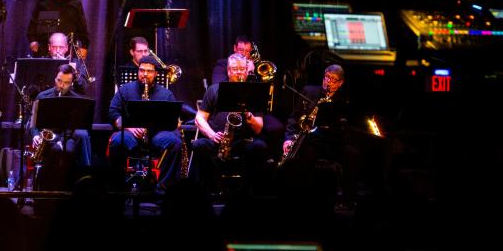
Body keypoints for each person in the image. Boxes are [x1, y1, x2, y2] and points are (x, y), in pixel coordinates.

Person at [191, 54, 273, 192]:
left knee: (260, 147)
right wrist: (212, 135)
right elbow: (199, 119)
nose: (239, 72)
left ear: (247, 71)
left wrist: (249, 116)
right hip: (218, 139)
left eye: (242, 69)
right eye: (235, 69)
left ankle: (246, 190)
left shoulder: (255, 92)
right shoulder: (214, 90)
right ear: (228, 71)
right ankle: (214, 186)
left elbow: (258, 128)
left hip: (242, 141)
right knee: (199, 145)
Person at [281, 64, 359, 205]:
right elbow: (294, 118)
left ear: (340, 83)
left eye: (333, 79)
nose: (328, 81)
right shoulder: (309, 91)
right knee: (307, 154)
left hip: (333, 142)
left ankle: (349, 199)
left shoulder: (343, 101)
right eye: (326, 77)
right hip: (311, 141)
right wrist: (288, 140)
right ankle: (308, 198)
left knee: (352, 154)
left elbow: (345, 129)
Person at [107, 55, 183, 194]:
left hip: (156, 134)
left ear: (156, 73)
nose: (145, 74)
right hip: (131, 134)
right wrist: (129, 127)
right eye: (142, 70)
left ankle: (163, 188)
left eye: (149, 71)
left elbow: (174, 121)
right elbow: (113, 112)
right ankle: (118, 186)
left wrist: (157, 126)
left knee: (175, 143)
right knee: (117, 141)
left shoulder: (166, 94)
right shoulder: (125, 90)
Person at [29, 63, 93, 189]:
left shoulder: (76, 100)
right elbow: (33, 121)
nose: (61, 85)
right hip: (47, 137)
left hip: (66, 136)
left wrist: (60, 140)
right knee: (57, 150)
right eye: (59, 81)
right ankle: (46, 187)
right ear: (55, 79)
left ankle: (78, 184)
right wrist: (35, 135)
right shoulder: (43, 97)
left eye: (66, 83)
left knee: (69, 150)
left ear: (72, 83)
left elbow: (74, 126)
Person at [27, 0, 91, 55]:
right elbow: (33, 24)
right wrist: (32, 41)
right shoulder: (44, 0)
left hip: (68, 52)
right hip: (44, 51)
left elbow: (82, 27)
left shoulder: (75, 3)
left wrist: (85, 47)